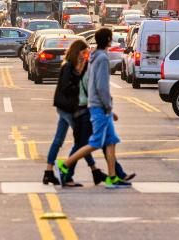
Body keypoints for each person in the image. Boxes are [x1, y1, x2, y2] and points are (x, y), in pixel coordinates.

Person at [55, 27, 131, 188]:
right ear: (109, 40)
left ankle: (112, 177)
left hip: (97, 105)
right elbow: (101, 86)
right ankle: (66, 164)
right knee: (96, 142)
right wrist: (108, 106)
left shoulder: (94, 57)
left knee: (111, 141)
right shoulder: (103, 58)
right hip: (100, 107)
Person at [45, 39, 104, 187]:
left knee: (60, 140)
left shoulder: (77, 66)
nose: (85, 55)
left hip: (67, 107)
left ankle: (48, 172)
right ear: (77, 51)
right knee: (81, 141)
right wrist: (79, 86)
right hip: (68, 108)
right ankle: (87, 171)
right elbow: (66, 86)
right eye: (84, 52)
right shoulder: (68, 66)